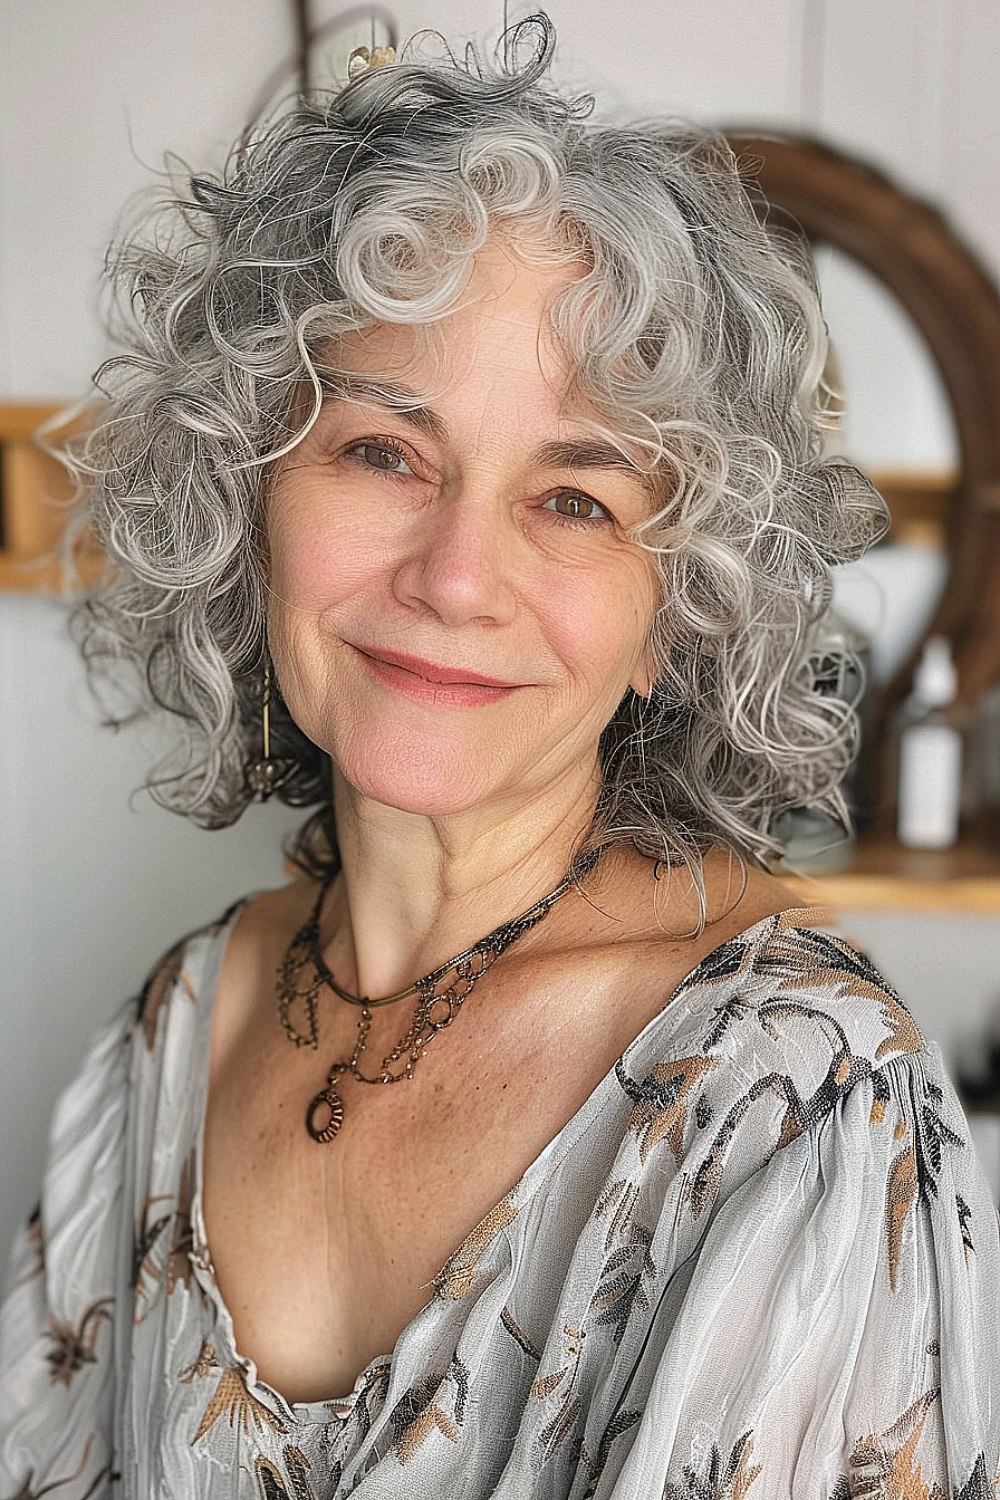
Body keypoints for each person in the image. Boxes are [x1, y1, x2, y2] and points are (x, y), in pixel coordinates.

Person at [2, 16, 998, 1498]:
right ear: (247, 500)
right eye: (383, 452)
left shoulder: (798, 1106)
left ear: (682, 612)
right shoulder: (175, 1036)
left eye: (579, 500)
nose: (455, 577)